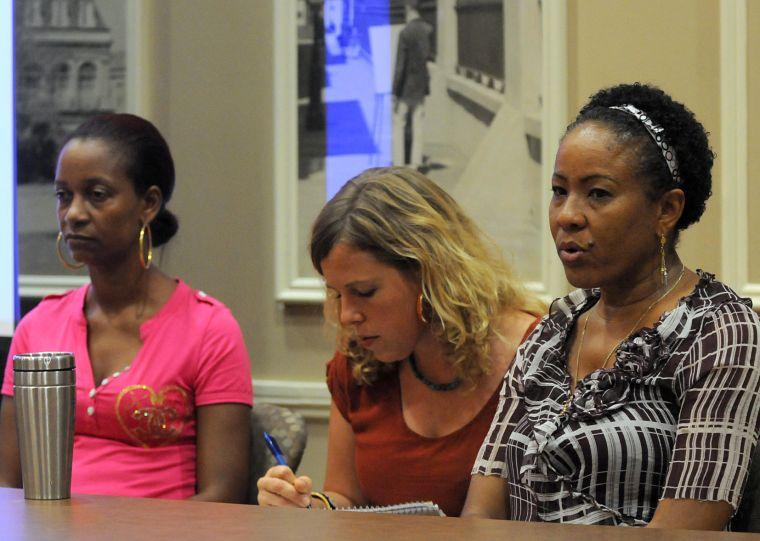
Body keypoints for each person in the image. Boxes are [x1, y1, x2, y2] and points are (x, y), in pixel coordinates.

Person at [462, 83, 760, 529]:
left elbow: (684, 534)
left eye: (598, 193)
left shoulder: (720, 332)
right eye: (559, 191)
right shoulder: (553, 331)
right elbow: (482, 512)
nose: (567, 215)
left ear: (667, 210)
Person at [257, 166, 544, 516]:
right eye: (336, 295)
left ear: (429, 274)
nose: (347, 315)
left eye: (364, 292)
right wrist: (305, 505)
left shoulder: (536, 354)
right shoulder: (359, 361)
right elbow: (345, 497)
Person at [0, 113, 253, 502]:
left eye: (96, 195)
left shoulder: (209, 328)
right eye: (63, 195)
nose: (74, 214)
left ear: (148, 203)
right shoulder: (38, 328)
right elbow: (7, 484)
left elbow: (224, 495)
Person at [392, 0, 433, 171]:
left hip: (406, 87)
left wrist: (395, 90)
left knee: (399, 122)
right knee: (418, 123)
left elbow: (400, 65)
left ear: (408, 9)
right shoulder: (428, 30)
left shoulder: (405, 33)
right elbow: (428, 59)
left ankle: (399, 163)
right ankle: (415, 163)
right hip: (420, 85)